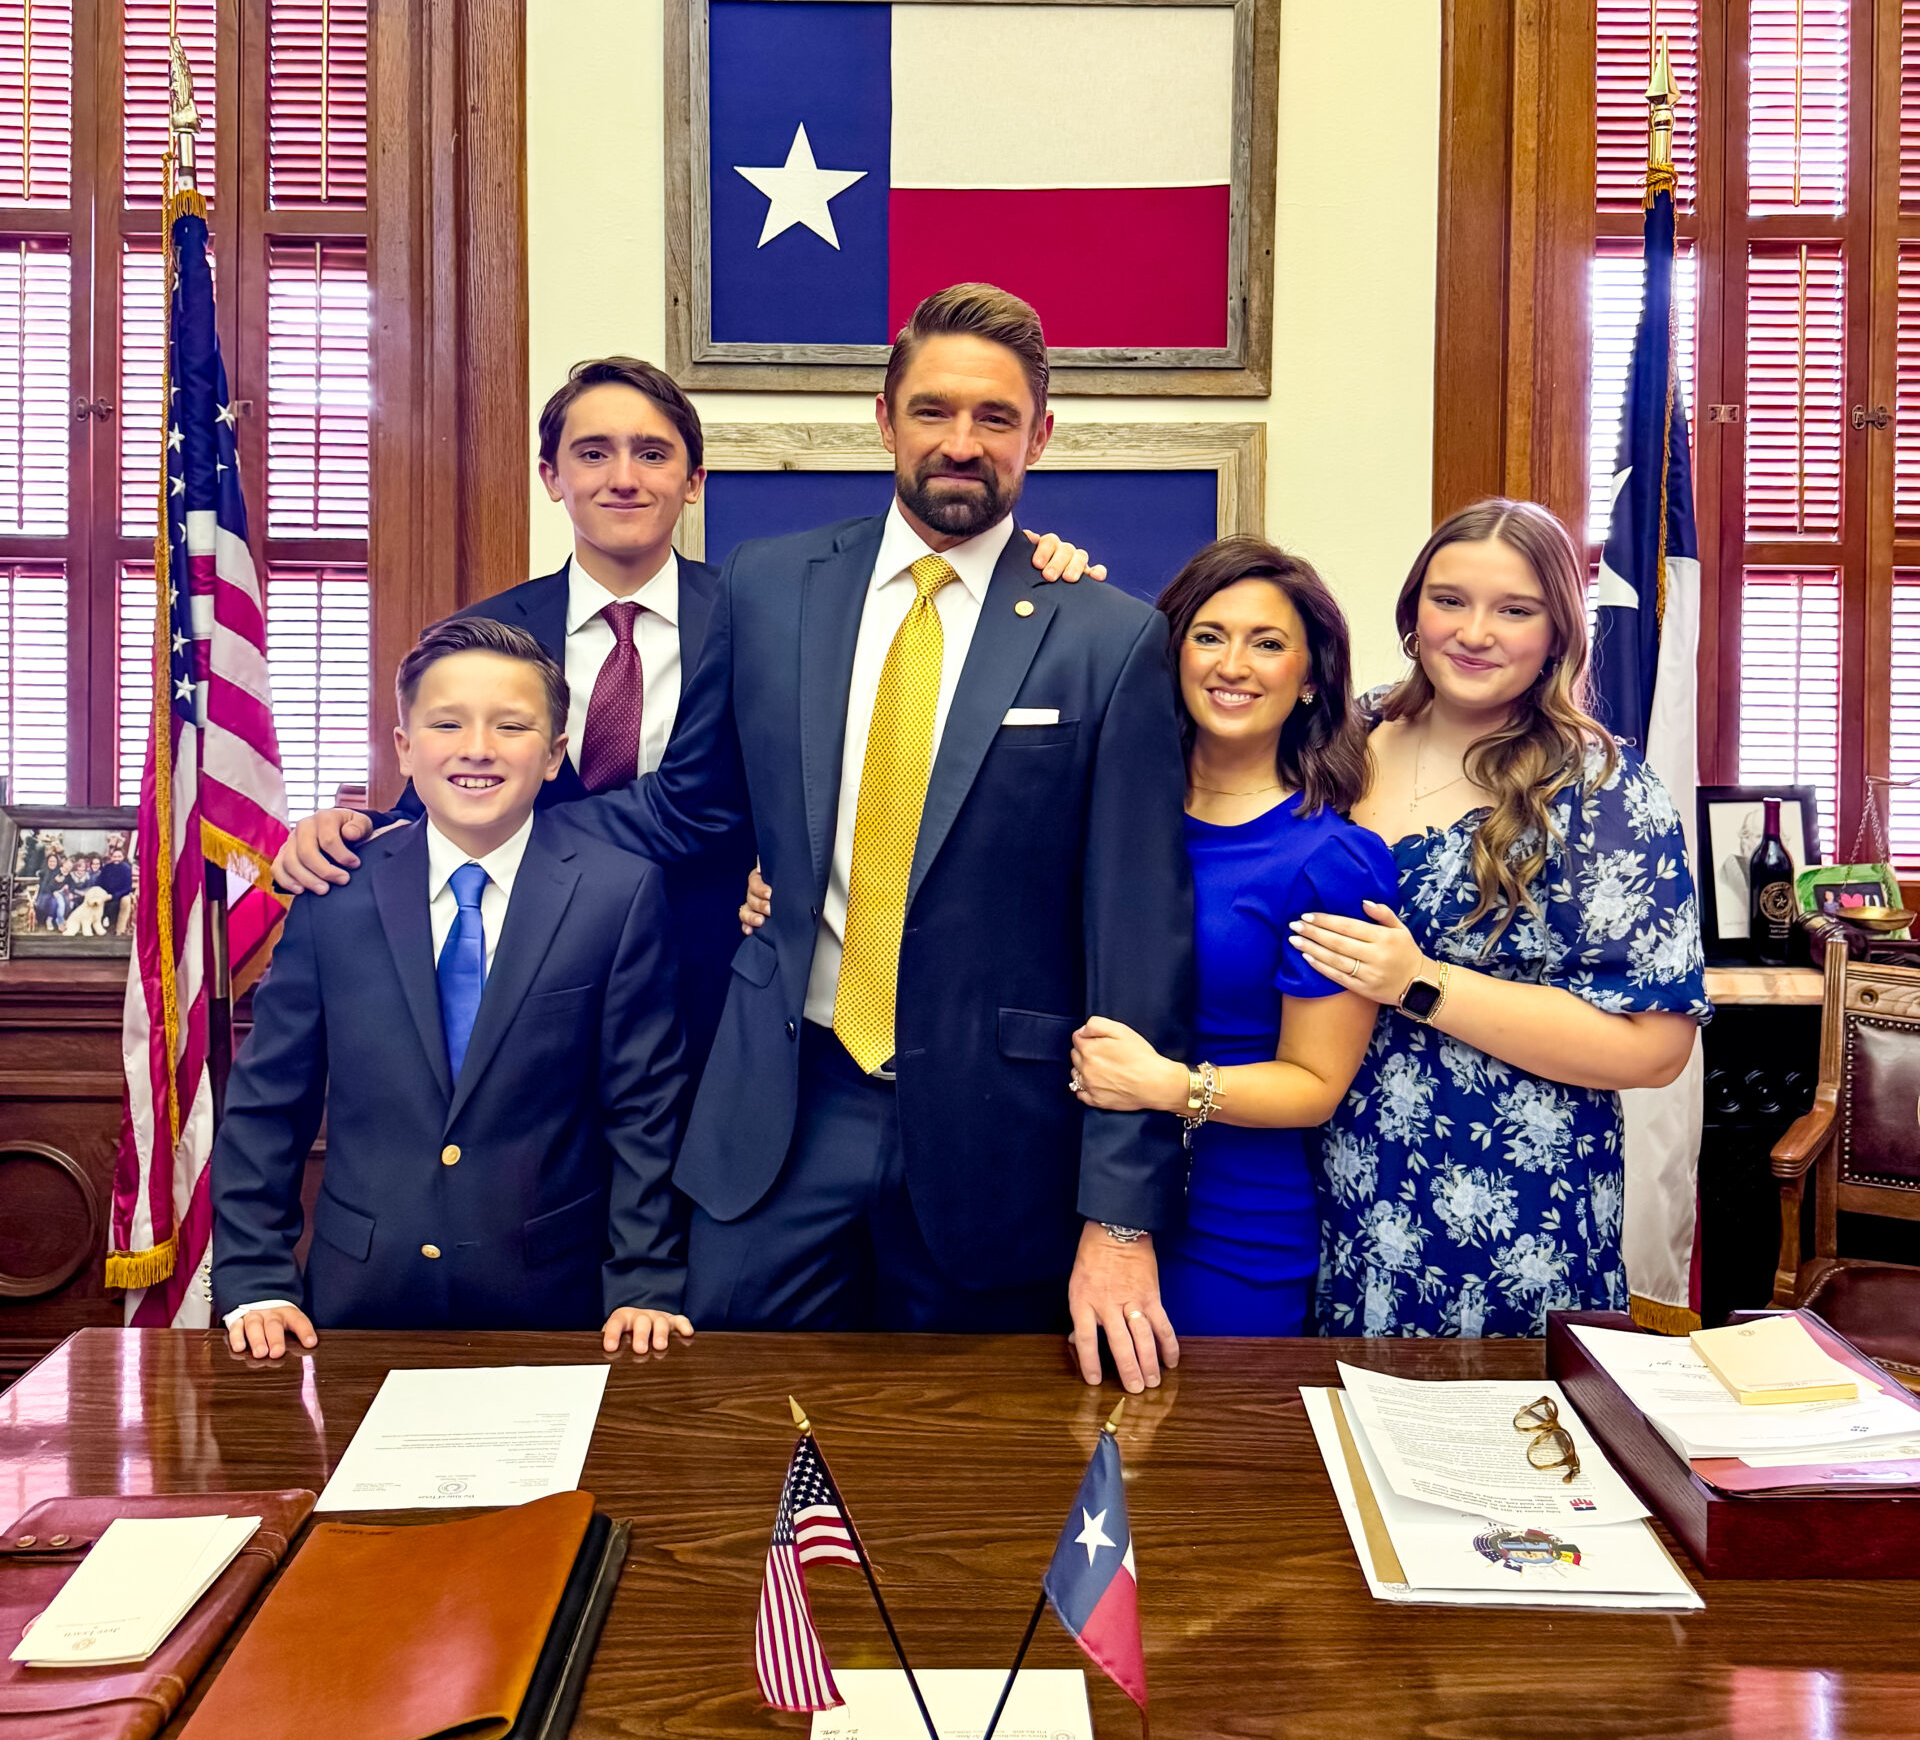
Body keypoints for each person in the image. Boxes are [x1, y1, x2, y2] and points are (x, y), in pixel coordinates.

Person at [282, 284, 1195, 1387]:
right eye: (935, 411)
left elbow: (1137, 945)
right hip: (779, 1105)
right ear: (884, 417)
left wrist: (1121, 1220)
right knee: (719, 1424)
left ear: (1040, 434)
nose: (962, 442)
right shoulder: (772, 589)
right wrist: (407, 829)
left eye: (996, 418)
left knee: (979, 1463)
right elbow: (689, 803)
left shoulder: (1106, 634)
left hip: (998, 1140)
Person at [276, 355, 1099, 1070]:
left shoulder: (771, 612)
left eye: (653, 454)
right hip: (523, 991)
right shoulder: (476, 638)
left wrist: (1030, 568)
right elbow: (448, 807)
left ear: (694, 480)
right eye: (592, 453)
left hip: (716, 990)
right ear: (552, 476)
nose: (622, 477)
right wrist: (352, 829)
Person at [214, 616, 693, 1358]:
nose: (477, 748)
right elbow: (269, 1102)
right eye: (446, 723)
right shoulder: (335, 893)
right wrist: (256, 1278)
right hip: (357, 1299)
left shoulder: (617, 893)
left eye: (511, 725)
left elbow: (643, 1111)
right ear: (404, 747)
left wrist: (643, 1279)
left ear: (555, 753)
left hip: (553, 1302)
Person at [1291, 498, 1709, 1338]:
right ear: (1412, 611)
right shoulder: (1338, 733)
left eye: (1514, 610)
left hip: (1510, 1206)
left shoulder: (1600, 788)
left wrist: (1422, 983)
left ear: (1558, 631)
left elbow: (1657, 1048)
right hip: (1318, 1172)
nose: (1474, 632)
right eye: (1450, 600)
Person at [1059, 541, 1397, 1334]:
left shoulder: (1332, 861)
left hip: (1230, 1228)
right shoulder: (1094, 814)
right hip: (1062, 1201)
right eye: (1209, 635)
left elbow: (1315, 1083)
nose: (1233, 664)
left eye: (1269, 643)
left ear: (1311, 679)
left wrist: (1170, 1086)